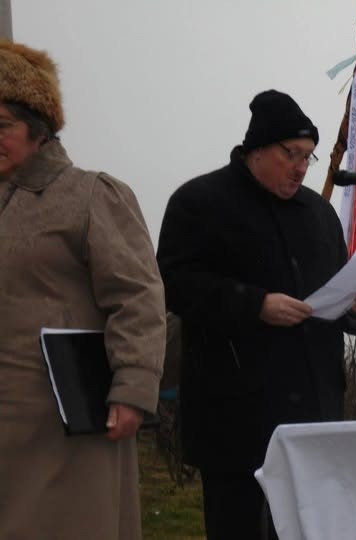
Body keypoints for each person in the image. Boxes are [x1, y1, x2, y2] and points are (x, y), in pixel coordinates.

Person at [156, 89, 356, 540]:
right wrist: (255, 304)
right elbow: (173, 283)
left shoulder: (319, 215)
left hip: (313, 418)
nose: (301, 167)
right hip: (234, 417)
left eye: (308, 156)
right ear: (256, 149)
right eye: (290, 153)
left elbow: (332, 298)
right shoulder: (200, 202)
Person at [0, 41, 166, 539]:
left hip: (61, 423)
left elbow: (138, 297)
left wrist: (133, 388)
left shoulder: (90, 195)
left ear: (39, 129)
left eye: (1, 126)